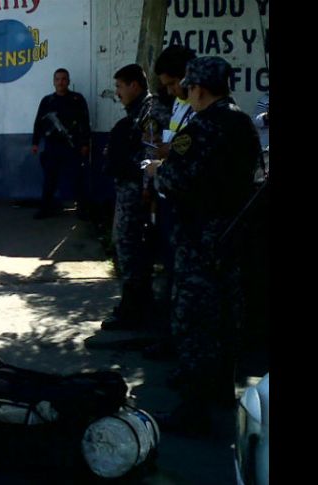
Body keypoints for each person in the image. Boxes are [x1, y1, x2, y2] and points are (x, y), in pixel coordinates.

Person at [146, 56, 262, 434]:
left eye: (188, 88)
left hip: (199, 241)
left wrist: (157, 172)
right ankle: (223, 392)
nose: (186, 94)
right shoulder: (242, 123)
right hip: (235, 238)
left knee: (194, 322)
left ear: (198, 89)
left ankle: (193, 412)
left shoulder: (200, 127)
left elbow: (176, 180)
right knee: (227, 317)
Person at [141, 45, 198, 360]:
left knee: (184, 279)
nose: (171, 91)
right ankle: (170, 336)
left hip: (187, 207)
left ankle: (181, 343)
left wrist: (169, 152)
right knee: (170, 272)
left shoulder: (204, 109)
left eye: (174, 83)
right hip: (168, 197)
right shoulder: (179, 103)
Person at [100, 64, 159, 331]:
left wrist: (146, 188)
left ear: (134, 85)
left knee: (131, 250)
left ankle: (135, 311)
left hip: (137, 194)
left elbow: (150, 153)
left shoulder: (149, 111)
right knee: (126, 249)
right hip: (129, 191)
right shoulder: (138, 111)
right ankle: (133, 306)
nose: (117, 92)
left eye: (120, 86)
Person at [31, 68, 91, 219]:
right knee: (49, 179)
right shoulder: (47, 101)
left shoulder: (77, 99)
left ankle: (82, 209)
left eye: (64, 79)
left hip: (72, 146)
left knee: (77, 178)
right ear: (53, 82)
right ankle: (46, 209)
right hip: (52, 146)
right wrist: (35, 142)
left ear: (68, 81)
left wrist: (85, 143)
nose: (60, 82)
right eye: (57, 79)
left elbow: (85, 122)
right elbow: (38, 123)